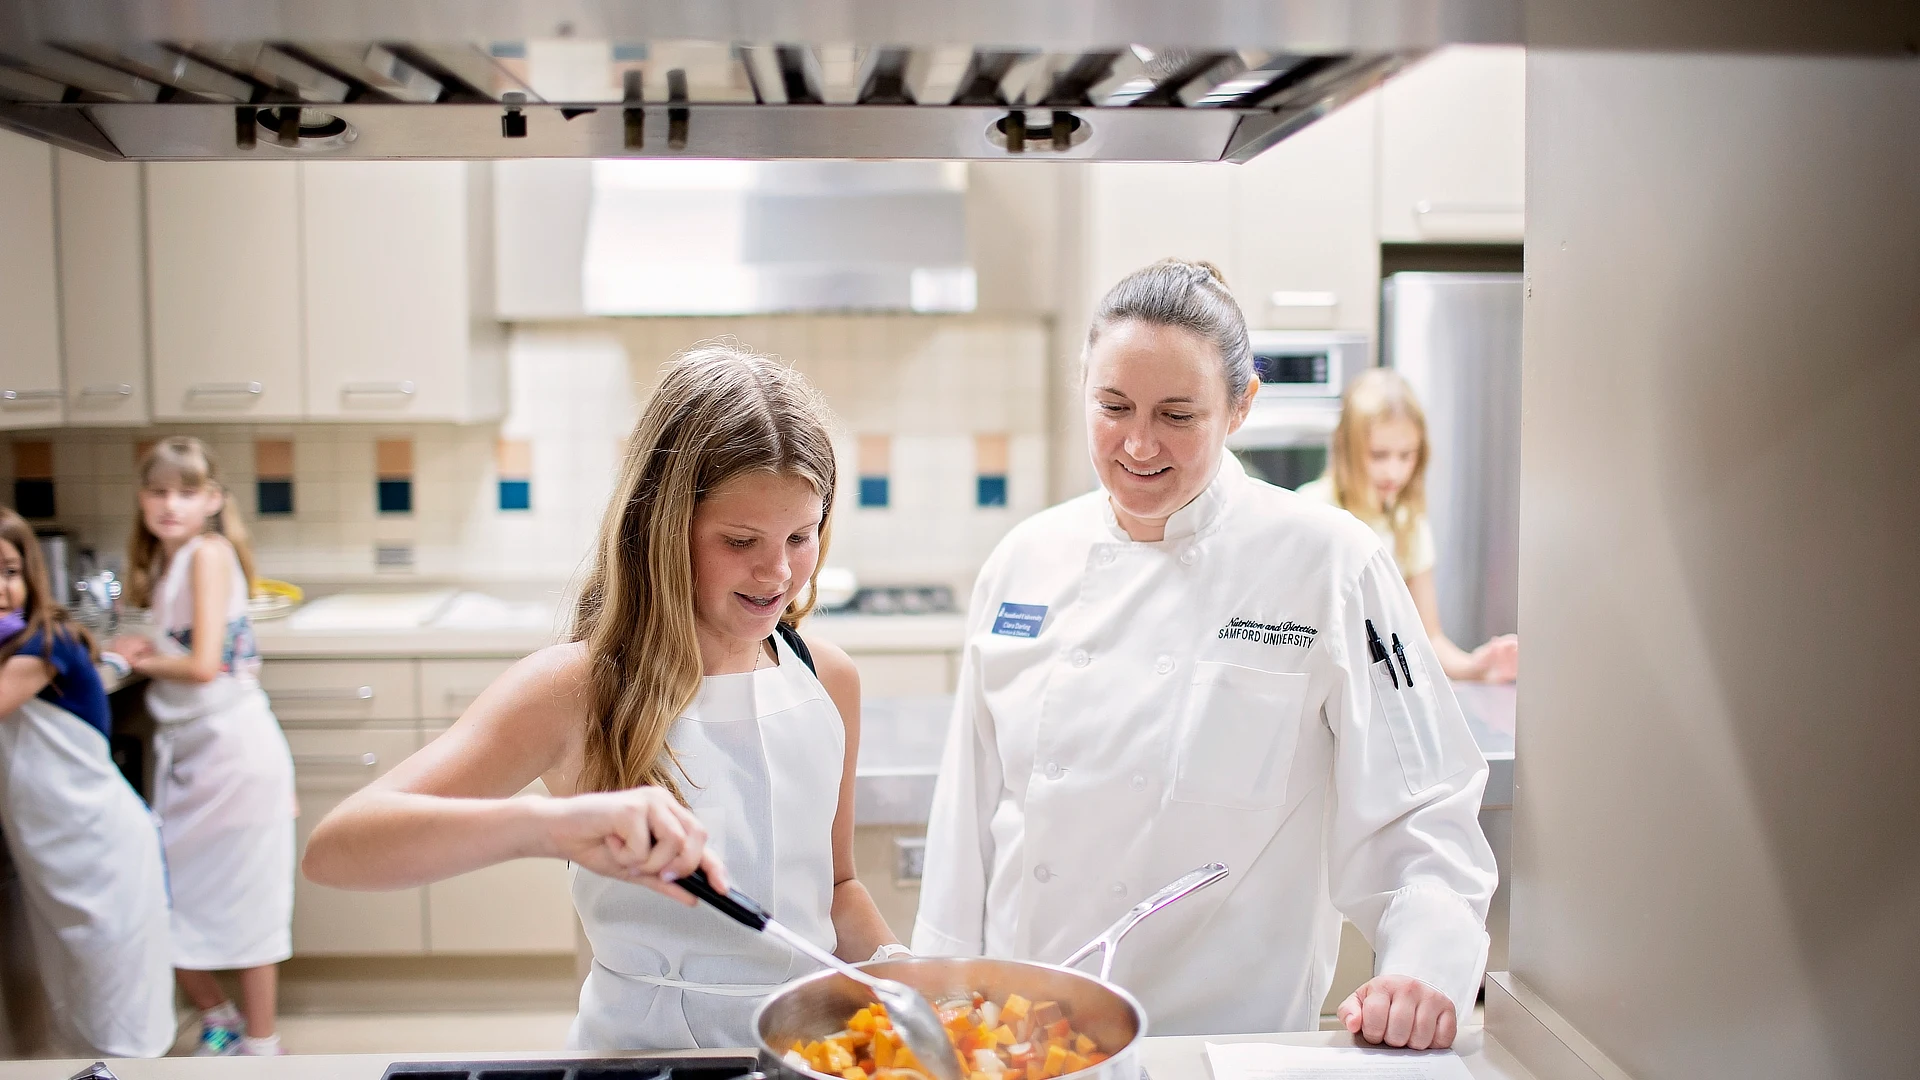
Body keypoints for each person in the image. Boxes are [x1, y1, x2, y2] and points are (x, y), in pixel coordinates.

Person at [913, 260, 1498, 1051]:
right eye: (1112, 406)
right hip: (1026, 1048)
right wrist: (939, 1009)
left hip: (1229, 1049)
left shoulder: (1331, 563)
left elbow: (1422, 809)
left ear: (1241, 405)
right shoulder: (1024, 560)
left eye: (1178, 414)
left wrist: (1424, 966)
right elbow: (965, 829)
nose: (1138, 442)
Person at [302, 343, 900, 1051]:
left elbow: (836, 889)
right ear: (660, 528)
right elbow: (337, 851)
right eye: (741, 541)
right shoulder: (577, 689)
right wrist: (551, 828)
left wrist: (903, 976)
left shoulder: (827, 679)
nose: (778, 573)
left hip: (807, 1055)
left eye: (802, 536)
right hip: (638, 1060)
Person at [108, 437, 296, 1058]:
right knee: (174, 899)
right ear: (141, 499)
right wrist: (142, 651)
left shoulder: (208, 554)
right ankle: (222, 1021)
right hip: (196, 754)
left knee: (247, 902)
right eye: (158, 491)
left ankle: (261, 1047)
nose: (171, 504)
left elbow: (204, 664)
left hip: (232, 755)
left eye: (187, 492)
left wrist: (143, 658)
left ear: (213, 500)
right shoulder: (169, 563)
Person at [0, 507, 174, 1058]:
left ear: (30, 575)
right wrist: (119, 664)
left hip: (99, 850)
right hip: (61, 851)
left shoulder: (39, 647)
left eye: (8, 570)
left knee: (114, 1006)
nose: (1, 587)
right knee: (85, 999)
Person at [1297, 368, 1519, 683]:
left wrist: (1478, 667)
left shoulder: (1408, 523)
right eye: (1379, 455)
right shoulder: (1311, 510)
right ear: (1346, 449)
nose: (1394, 471)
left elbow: (1429, 640)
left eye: (1406, 456)